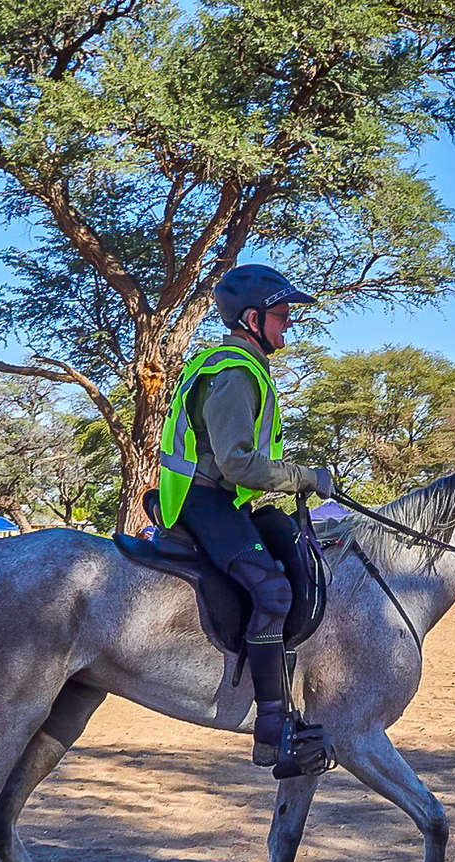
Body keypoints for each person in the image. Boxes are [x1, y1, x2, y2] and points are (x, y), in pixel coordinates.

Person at [156, 264, 335, 777]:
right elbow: (238, 463)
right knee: (273, 592)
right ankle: (272, 731)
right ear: (253, 318)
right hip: (204, 499)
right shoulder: (234, 372)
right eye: (281, 315)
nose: (287, 326)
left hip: (225, 500)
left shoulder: (246, 366)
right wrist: (306, 477)